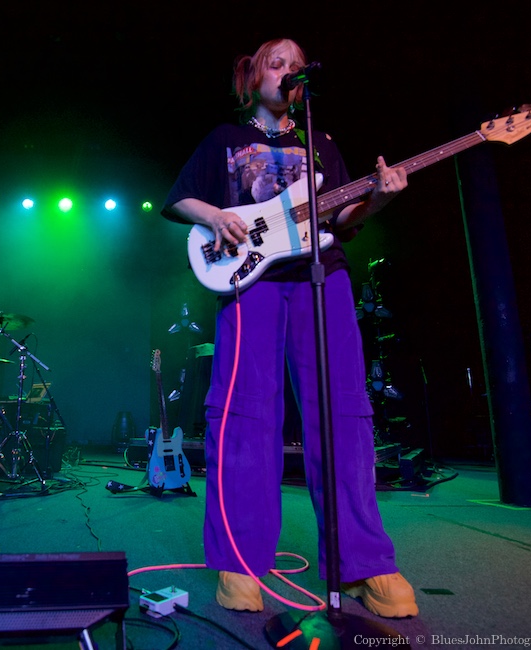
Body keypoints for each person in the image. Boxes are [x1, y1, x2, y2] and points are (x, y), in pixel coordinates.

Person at [161, 38, 418, 618]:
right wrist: (215, 214)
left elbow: (345, 219)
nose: (288, 71)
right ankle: (239, 560)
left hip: (322, 278)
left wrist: (378, 198)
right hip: (251, 280)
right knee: (246, 412)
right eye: (276, 62)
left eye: (296, 65)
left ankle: (363, 563)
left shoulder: (321, 143)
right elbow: (180, 200)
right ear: (253, 77)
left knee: (344, 412)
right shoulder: (226, 141)